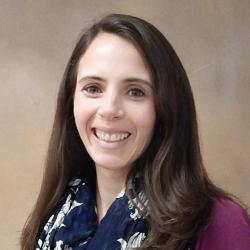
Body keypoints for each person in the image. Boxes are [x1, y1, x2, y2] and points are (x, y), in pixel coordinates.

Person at [21, 14, 250, 250]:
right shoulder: (52, 222)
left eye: (135, 92)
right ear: (71, 101)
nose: (109, 110)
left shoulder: (219, 224)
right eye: (93, 88)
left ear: (166, 108)